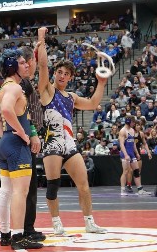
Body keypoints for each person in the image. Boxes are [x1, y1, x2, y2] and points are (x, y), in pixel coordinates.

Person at [38, 30, 107, 235]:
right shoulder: (47, 90)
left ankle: (89, 221)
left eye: (66, 74)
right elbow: (42, 65)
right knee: (53, 186)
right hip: (51, 142)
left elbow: (94, 103)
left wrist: (101, 83)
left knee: (83, 184)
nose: (62, 76)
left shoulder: (72, 97)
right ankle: (56, 222)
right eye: (59, 72)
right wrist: (41, 38)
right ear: (55, 73)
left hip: (68, 143)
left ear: (70, 78)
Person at [0, 48, 43, 250]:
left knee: (6, 191)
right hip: (16, 145)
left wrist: (5, 135)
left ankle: (5, 234)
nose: (27, 65)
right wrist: (22, 133)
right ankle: (18, 237)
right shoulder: (14, 88)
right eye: (22, 63)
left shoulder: (4, 87)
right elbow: (5, 110)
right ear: (13, 67)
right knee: (20, 193)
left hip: (5, 143)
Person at [21, 39, 47, 242]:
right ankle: (25, 229)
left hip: (24, 139)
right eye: (33, 62)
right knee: (27, 188)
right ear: (28, 62)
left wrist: (39, 47)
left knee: (24, 188)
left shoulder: (21, 83)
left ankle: (15, 229)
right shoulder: (23, 84)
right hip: (26, 140)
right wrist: (32, 133)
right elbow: (24, 112)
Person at [119, 117, 150, 196]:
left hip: (132, 153)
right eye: (133, 122)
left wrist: (136, 153)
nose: (134, 124)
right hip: (125, 153)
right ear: (129, 122)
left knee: (136, 171)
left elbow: (133, 143)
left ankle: (140, 189)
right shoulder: (123, 131)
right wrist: (125, 155)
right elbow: (121, 144)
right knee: (125, 171)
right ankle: (122, 190)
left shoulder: (132, 130)